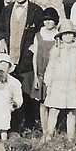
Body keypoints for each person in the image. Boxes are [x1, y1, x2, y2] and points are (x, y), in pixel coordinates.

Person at [0, 0, 44, 132]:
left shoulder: (36, 11)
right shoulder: (7, 10)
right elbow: (0, 28)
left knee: (27, 93)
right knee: (10, 92)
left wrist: (34, 46)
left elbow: (40, 32)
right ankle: (12, 126)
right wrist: (1, 39)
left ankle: (30, 125)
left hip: (27, 60)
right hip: (10, 58)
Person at [43, 19, 76, 140]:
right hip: (58, 84)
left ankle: (70, 137)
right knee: (54, 109)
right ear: (60, 36)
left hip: (73, 84)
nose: (68, 36)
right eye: (65, 34)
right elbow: (50, 67)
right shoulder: (56, 50)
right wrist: (49, 83)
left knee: (72, 111)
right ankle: (49, 133)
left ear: (74, 35)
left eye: (70, 33)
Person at [31, 7, 60, 137]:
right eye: (46, 20)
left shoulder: (59, 36)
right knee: (42, 103)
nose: (48, 22)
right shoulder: (38, 35)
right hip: (41, 74)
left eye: (51, 20)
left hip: (55, 75)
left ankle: (51, 130)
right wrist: (36, 76)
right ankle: (44, 131)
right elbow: (34, 56)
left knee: (53, 103)